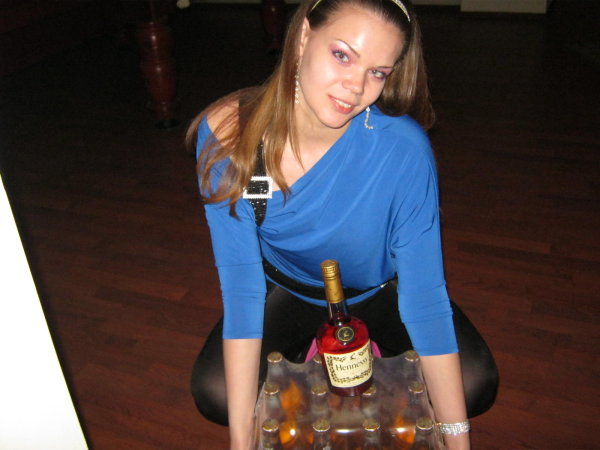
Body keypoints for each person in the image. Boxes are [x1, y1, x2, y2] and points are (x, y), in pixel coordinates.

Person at [187, 0, 498, 448]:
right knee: (215, 394)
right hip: (290, 290)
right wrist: (242, 443)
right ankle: (325, 353)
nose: (356, 87)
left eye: (378, 72)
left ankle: (348, 355)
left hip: (380, 291)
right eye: (342, 55)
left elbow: (424, 297)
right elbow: (242, 288)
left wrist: (457, 441)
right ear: (302, 36)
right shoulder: (230, 135)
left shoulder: (403, 149)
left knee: (474, 384)